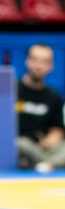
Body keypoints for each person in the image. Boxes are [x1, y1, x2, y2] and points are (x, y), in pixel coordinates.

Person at [16, 44, 65, 173]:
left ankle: (47, 164)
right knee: (20, 144)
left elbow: (57, 129)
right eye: (35, 60)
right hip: (20, 144)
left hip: (44, 147)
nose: (39, 66)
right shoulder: (12, 90)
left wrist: (50, 140)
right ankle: (50, 164)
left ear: (51, 66)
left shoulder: (54, 96)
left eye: (45, 62)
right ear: (27, 61)